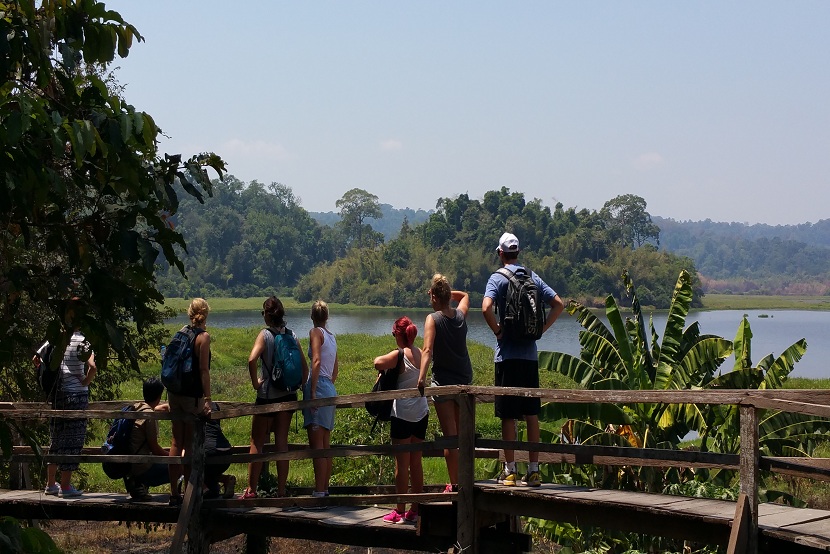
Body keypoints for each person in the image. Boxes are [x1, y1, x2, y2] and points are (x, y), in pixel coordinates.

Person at [482, 232, 565, 487]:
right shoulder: (532, 276)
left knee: (508, 416)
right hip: (529, 358)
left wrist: (498, 332)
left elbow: (486, 308)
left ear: (500, 253)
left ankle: (509, 471)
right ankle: (534, 469)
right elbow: (558, 304)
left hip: (506, 357)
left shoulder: (497, 278)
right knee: (531, 415)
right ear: (518, 252)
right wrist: (540, 330)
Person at [240, 296, 309, 499]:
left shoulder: (265, 335)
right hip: (289, 395)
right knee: (282, 443)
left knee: (257, 442)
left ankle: (251, 490)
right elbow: (304, 368)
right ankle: (281, 491)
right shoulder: (292, 334)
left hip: (268, 396)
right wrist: (303, 391)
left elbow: (252, 359)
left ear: (267, 316)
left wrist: (256, 383)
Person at [417, 274, 473, 493]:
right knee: (462, 435)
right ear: (449, 296)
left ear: (433, 296)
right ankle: (465, 481)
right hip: (464, 380)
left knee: (450, 436)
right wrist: (450, 294)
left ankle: (456, 484)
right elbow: (466, 296)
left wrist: (421, 378)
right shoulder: (460, 315)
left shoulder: (433, 319)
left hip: (444, 383)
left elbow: (428, 350)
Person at [36, 298, 97, 498]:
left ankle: (50, 484)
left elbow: (36, 359)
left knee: (56, 439)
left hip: (57, 395)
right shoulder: (82, 341)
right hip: (76, 396)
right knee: (72, 441)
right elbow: (93, 367)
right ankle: (66, 486)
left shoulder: (57, 337)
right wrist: (85, 382)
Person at [373, 317, 427, 524]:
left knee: (401, 465)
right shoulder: (421, 353)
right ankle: (416, 508)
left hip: (403, 413)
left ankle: (400, 510)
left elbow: (377, 362)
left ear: (398, 334)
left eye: (394, 334)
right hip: (421, 413)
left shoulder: (399, 355)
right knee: (416, 463)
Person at [167, 298, 213, 506]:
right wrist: (208, 399)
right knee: (190, 444)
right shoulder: (203, 337)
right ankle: (190, 490)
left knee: (176, 442)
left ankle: (173, 493)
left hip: (174, 393)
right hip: (191, 396)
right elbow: (204, 370)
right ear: (206, 314)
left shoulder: (181, 332)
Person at [303, 300, 338, 504]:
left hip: (318, 387)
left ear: (312, 316)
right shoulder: (332, 337)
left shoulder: (316, 333)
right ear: (327, 316)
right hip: (329, 388)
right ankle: (324, 489)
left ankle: (318, 491)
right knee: (325, 444)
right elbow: (335, 370)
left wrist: (314, 390)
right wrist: (327, 385)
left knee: (317, 445)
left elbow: (315, 361)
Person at [123, 377, 170, 502]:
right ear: (159, 396)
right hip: (142, 467)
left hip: (130, 465)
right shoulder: (149, 417)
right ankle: (141, 482)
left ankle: (139, 484)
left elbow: (153, 408)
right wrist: (173, 456)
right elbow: (155, 449)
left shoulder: (137, 407)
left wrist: (164, 407)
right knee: (180, 467)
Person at [203, 401, 235, 499]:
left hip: (210, 452)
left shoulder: (192, 405)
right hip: (226, 451)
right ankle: (225, 479)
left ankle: (204, 489)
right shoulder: (214, 405)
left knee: (187, 461)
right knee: (209, 474)